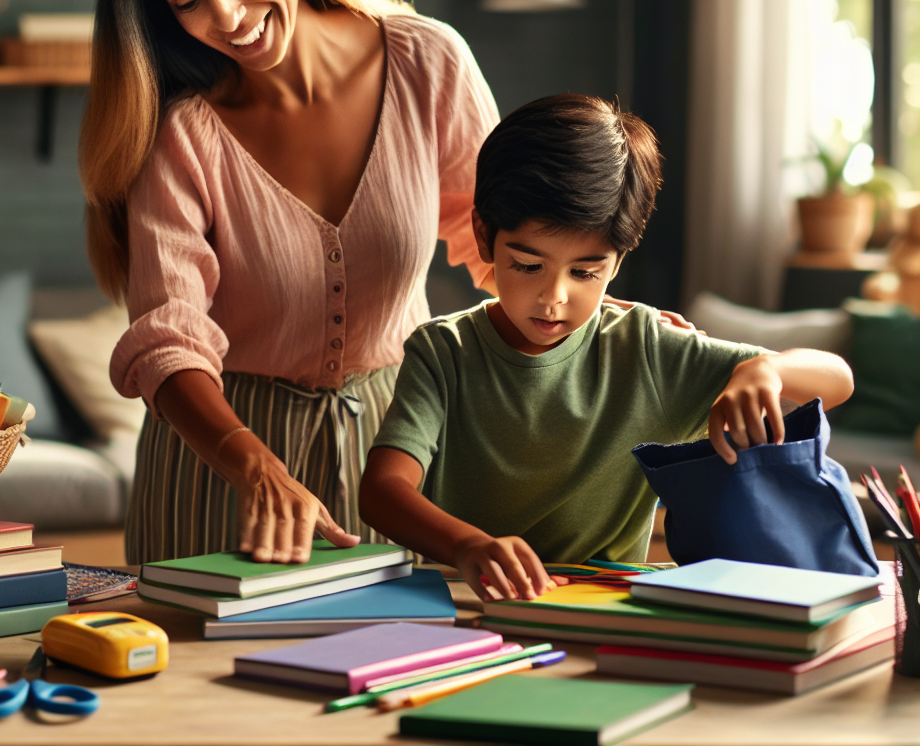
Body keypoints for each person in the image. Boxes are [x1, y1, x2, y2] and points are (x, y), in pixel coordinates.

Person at [78, 0, 499, 565]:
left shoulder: (429, 63)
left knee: (399, 672)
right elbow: (169, 337)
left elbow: (501, 244)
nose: (229, 17)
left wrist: (612, 324)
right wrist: (253, 463)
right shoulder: (182, 134)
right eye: (187, 2)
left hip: (397, 455)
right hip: (216, 471)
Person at [359, 95, 855, 604]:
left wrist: (766, 370)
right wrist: (467, 545)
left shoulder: (645, 349)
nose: (554, 298)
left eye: (585, 272)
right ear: (484, 237)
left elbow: (838, 378)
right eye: (528, 265)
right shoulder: (444, 351)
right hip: (463, 603)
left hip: (603, 613)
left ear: (617, 263)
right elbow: (381, 492)